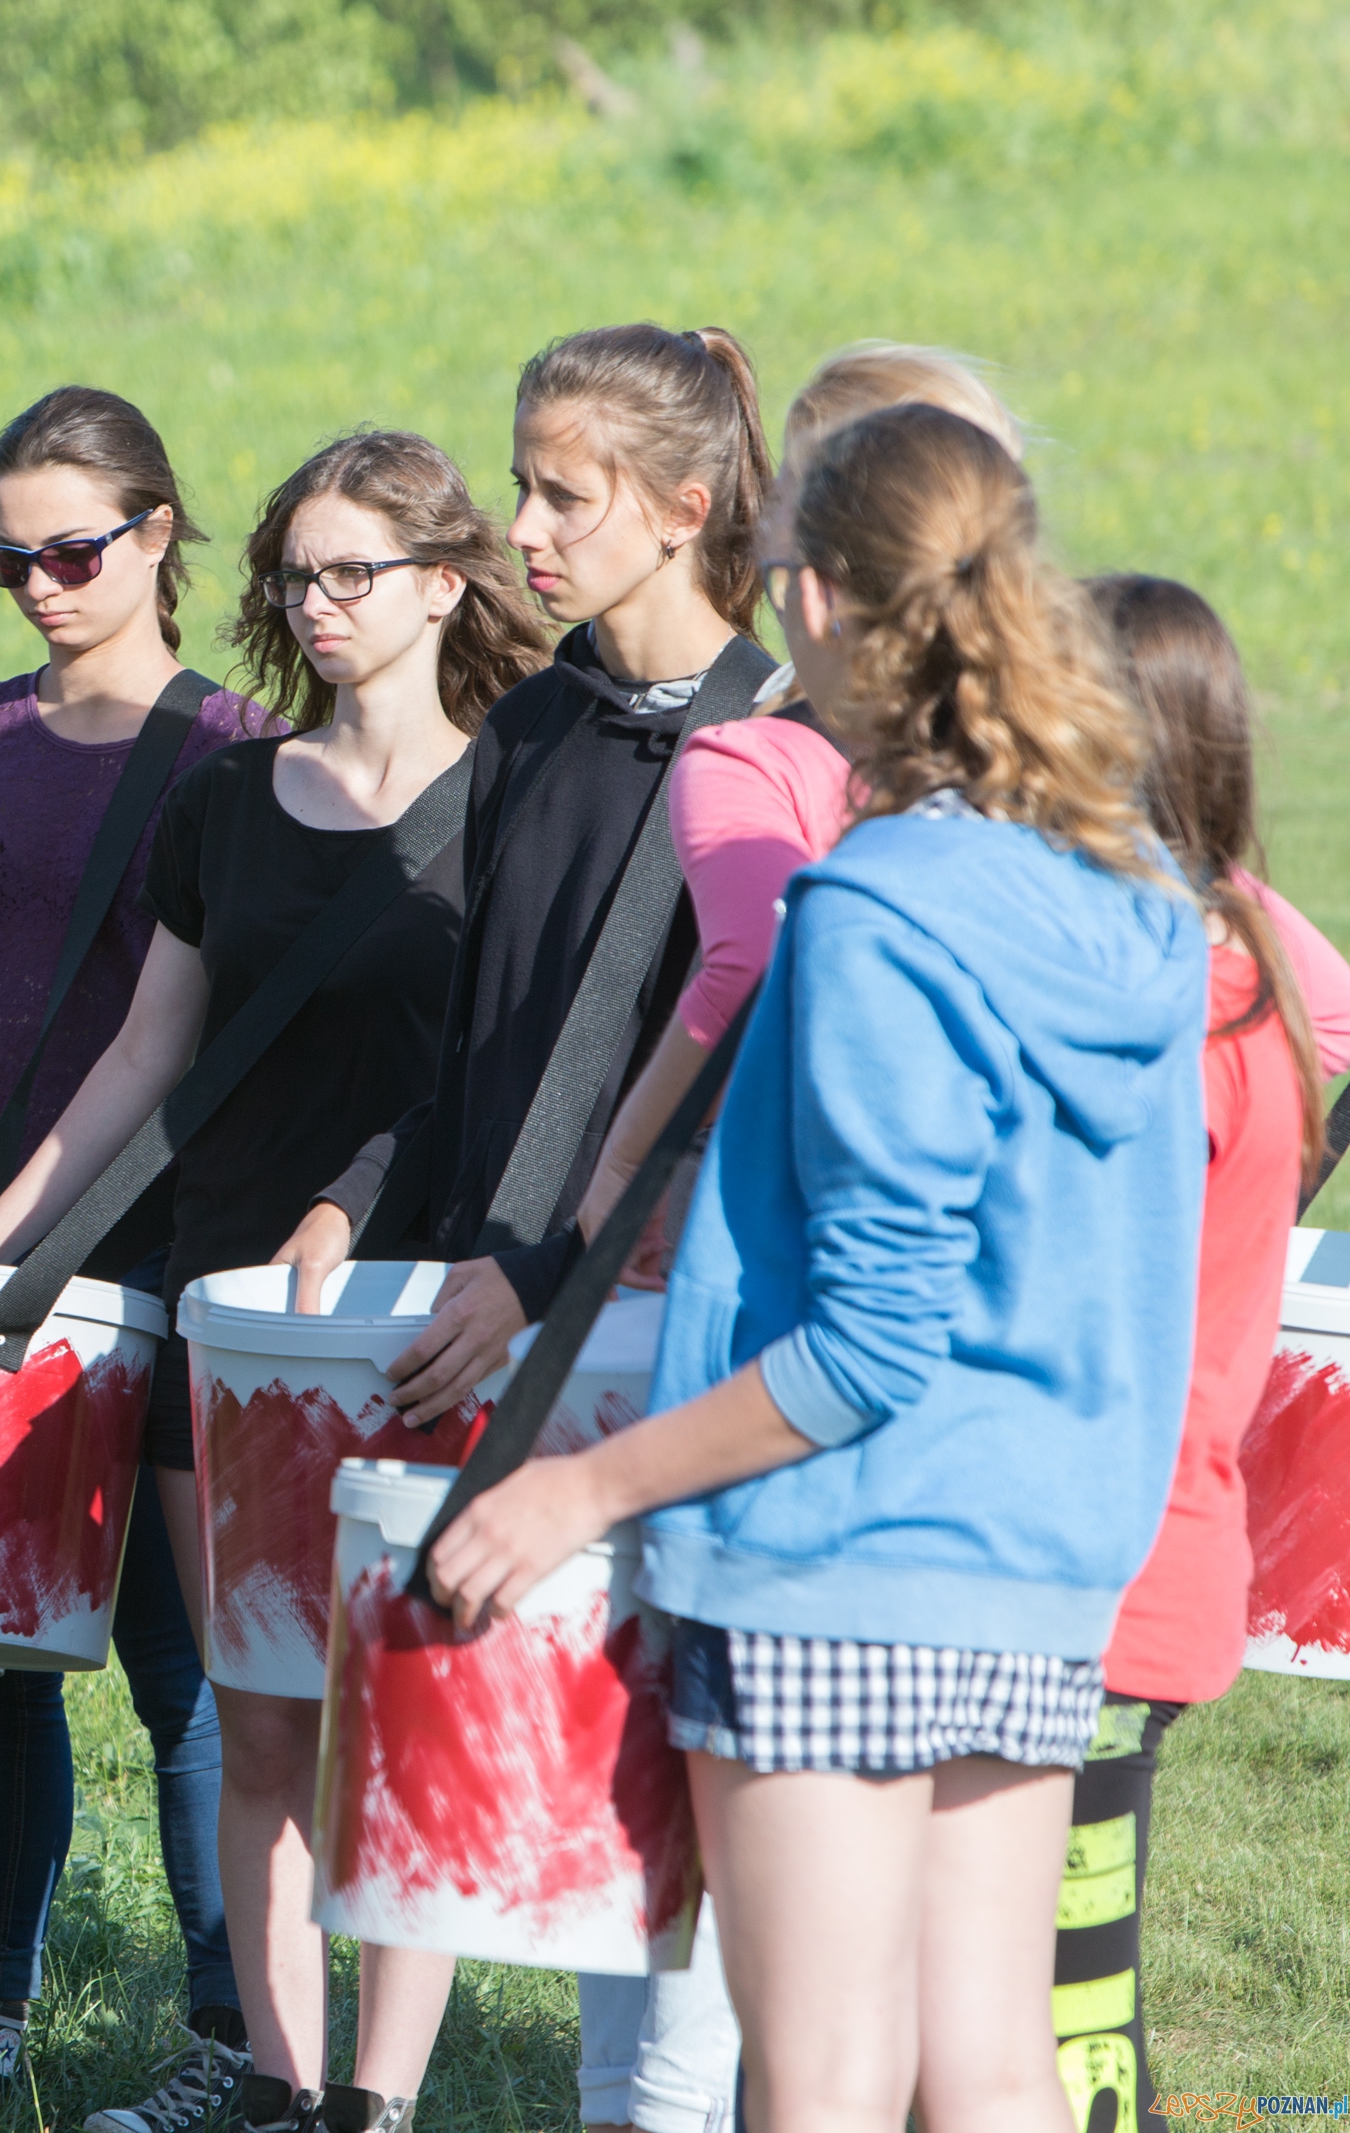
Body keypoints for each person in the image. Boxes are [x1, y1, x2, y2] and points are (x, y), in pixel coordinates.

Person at [430, 402, 1208, 2133]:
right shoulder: (1142, 893)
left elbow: (869, 1342)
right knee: (990, 2068)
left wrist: (580, 1492)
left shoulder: (876, 909)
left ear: (823, 602)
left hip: (835, 1555)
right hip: (1042, 1557)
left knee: (825, 2081)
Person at [0, 431, 547, 2133]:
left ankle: (379, 2100)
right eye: (296, 575)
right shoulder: (224, 802)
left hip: (424, 1321)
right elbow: (145, 1059)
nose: (318, 604)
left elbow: (508, 1071)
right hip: (227, 1314)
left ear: (443, 583)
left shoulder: (520, 806)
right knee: (261, 1718)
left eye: (354, 572)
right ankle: (278, 2082)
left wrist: (365, 1217)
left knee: (403, 1717)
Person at [268, 326, 774, 2133]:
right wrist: (357, 1192)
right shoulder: (541, 722)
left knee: (666, 1817)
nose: (526, 530)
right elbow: (474, 1044)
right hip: (501, 1307)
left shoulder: (778, 742)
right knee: (551, 1812)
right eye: (524, 485)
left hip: (670, 1345)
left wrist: (548, 1267)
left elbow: (735, 1098)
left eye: (567, 495)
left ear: (686, 508)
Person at [0, 386, 259, 2133]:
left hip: (148, 1242)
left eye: (72, 550)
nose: (39, 585)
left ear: (158, 533)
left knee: (178, 1665)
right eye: (6, 556)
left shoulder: (235, 751)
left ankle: (235, 2031)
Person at [1050, 574, 1334, 2131]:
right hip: (1131, 1552)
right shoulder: (1234, 963)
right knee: (1054, 2011)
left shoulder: (1170, 999)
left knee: (1069, 2028)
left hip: (1104, 1565)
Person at [575, 340, 1028, 1251]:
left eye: (791, 485)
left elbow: (748, 963)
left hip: (807, 1233)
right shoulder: (1066, 747)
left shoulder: (754, 758)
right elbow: (1312, 1003)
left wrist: (628, 1163)